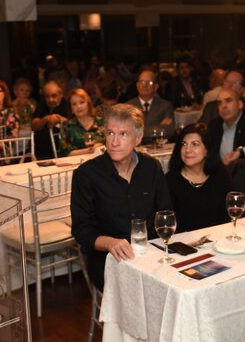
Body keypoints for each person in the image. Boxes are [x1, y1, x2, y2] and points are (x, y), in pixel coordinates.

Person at [70, 104, 172, 290]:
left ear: (138, 138)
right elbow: (82, 230)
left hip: (151, 251)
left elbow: (165, 211)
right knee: (144, 289)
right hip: (108, 259)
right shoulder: (86, 174)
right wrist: (110, 243)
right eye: (110, 133)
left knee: (178, 284)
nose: (114, 142)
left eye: (123, 134)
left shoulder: (151, 167)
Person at [165, 123, 231, 232]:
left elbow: (228, 216)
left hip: (219, 240)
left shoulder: (220, 175)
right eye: (184, 144)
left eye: (195, 144)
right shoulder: (170, 181)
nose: (187, 150)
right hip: (183, 244)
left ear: (207, 150)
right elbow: (167, 224)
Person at [127, 69, 175, 141]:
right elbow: (126, 131)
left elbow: (169, 131)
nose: (145, 85)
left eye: (150, 83)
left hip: (158, 148)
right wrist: (159, 127)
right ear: (137, 85)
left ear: (156, 87)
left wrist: (138, 130)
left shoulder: (165, 105)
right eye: (142, 82)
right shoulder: (128, 106)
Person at [31, 79, 69, 160]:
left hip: (62, 151)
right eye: (47, 96)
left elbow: (74, 124)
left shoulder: (67, 105)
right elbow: (33, 126)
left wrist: (60, 119)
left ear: (61, 94)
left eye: (54, 96)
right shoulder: (42, 105)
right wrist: (46, 119)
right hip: (41, 152)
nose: (50, 99)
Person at [59, 88, 103, 156]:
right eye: (74, 104)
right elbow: (65, 153)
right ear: (71, 109)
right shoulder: (66, 126)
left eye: (82, 102)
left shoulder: (102, 122)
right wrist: (91, 150)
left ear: (88, 104)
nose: (78, 106)